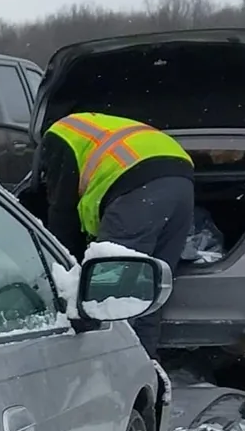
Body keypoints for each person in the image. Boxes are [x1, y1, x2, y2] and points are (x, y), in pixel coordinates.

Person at [39, 112, 193, 354]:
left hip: (139, 183)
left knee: (109, 293)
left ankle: (105, 364)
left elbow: (63, 213)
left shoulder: (58, 138)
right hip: (180, 178)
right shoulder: (88, 130)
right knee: (148, 289)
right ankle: (146, 363)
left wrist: (62, 264)